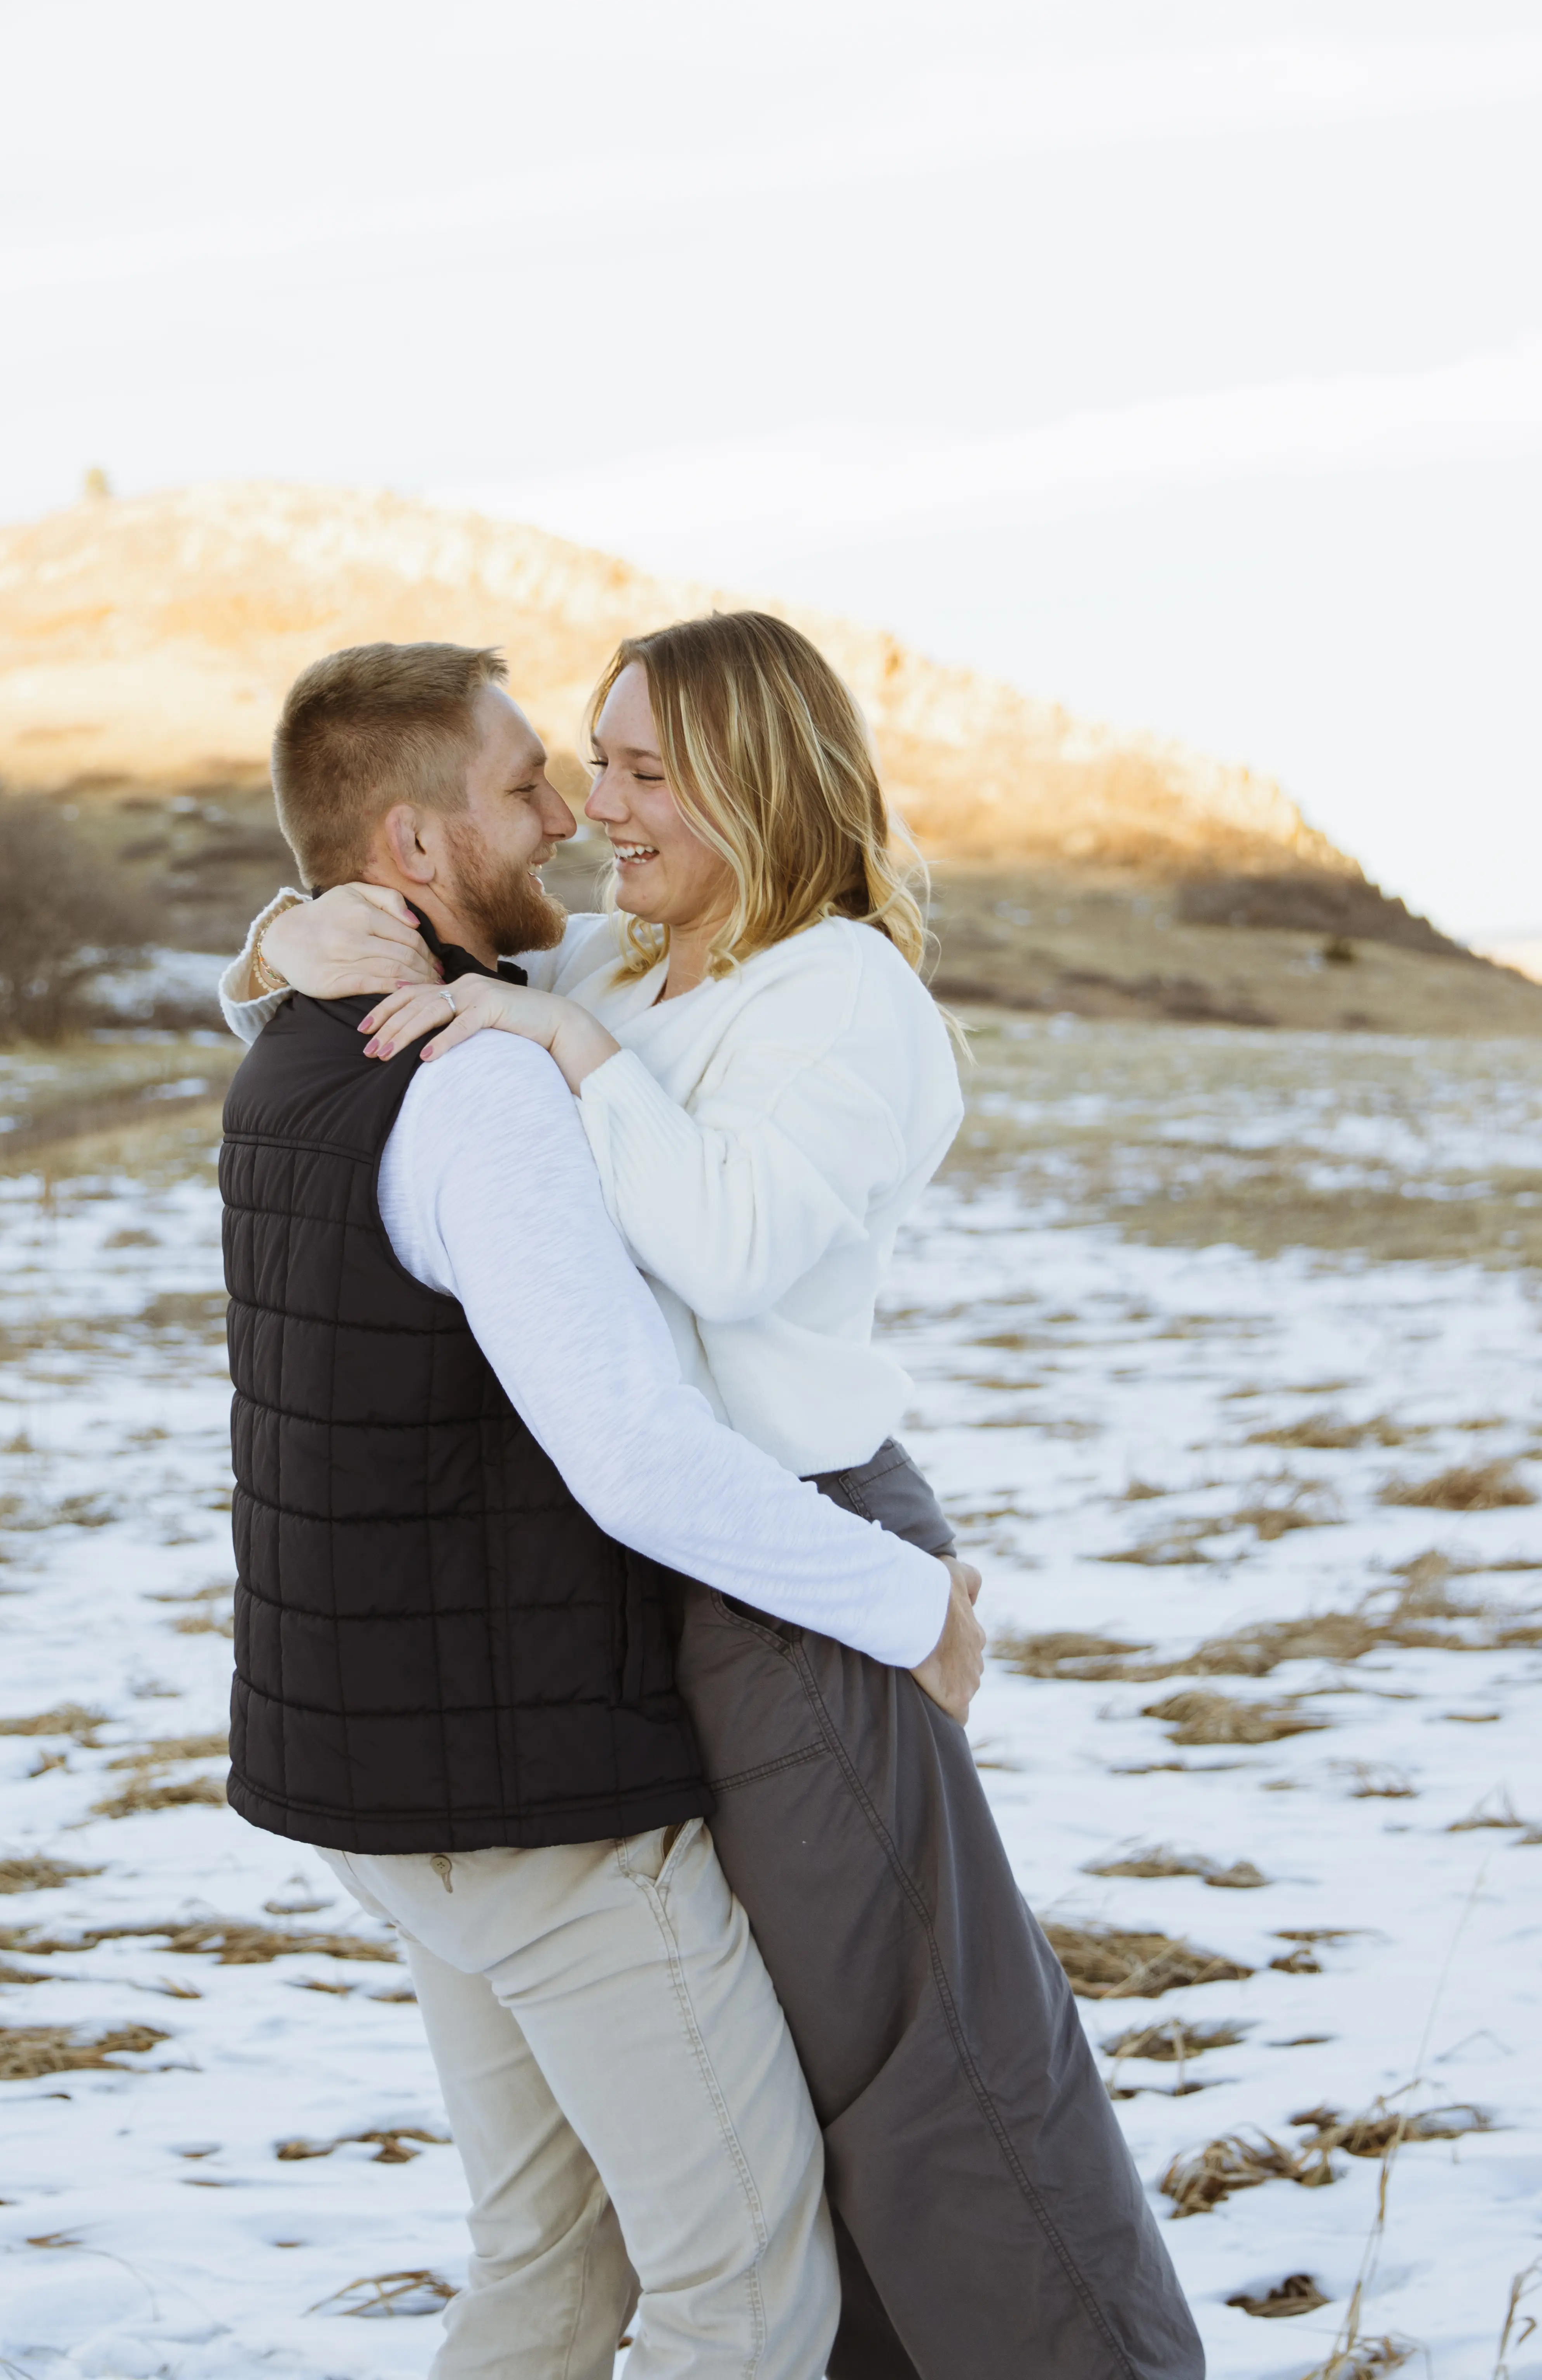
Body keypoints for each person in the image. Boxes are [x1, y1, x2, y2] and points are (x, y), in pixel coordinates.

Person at [226, 613, 1205, 2380]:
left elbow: (734, 1251)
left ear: (757, 784)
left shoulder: (835, 993)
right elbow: (407, 912)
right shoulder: (608, 961)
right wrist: (293, 928)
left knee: (913, 2072)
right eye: (583, 767)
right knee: (721, 2149)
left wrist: (568, 1060)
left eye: (639, 771)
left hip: (799, 1553)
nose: (597, 808)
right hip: (663, 1564)